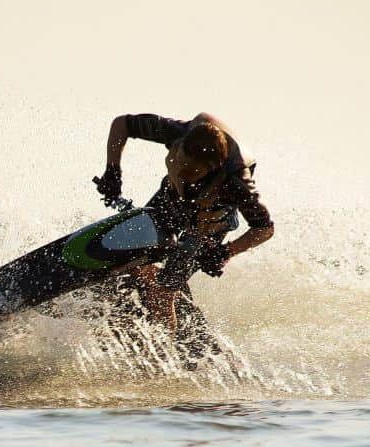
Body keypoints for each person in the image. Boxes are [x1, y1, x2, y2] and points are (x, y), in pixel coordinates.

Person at [92, 112, 274, 360]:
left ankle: (162, 355)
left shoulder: (237, 182)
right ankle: (155, 283)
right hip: (170, 199)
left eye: (192, 172)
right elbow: (121, 124)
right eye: (182, 165)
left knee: (161, 292)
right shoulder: (178, 133)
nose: (184, 174)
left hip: (211, 218)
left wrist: (225, 252)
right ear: (179, 148)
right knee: (136, 256)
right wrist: (113, 170)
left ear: (212, 168)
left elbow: (264, 228)